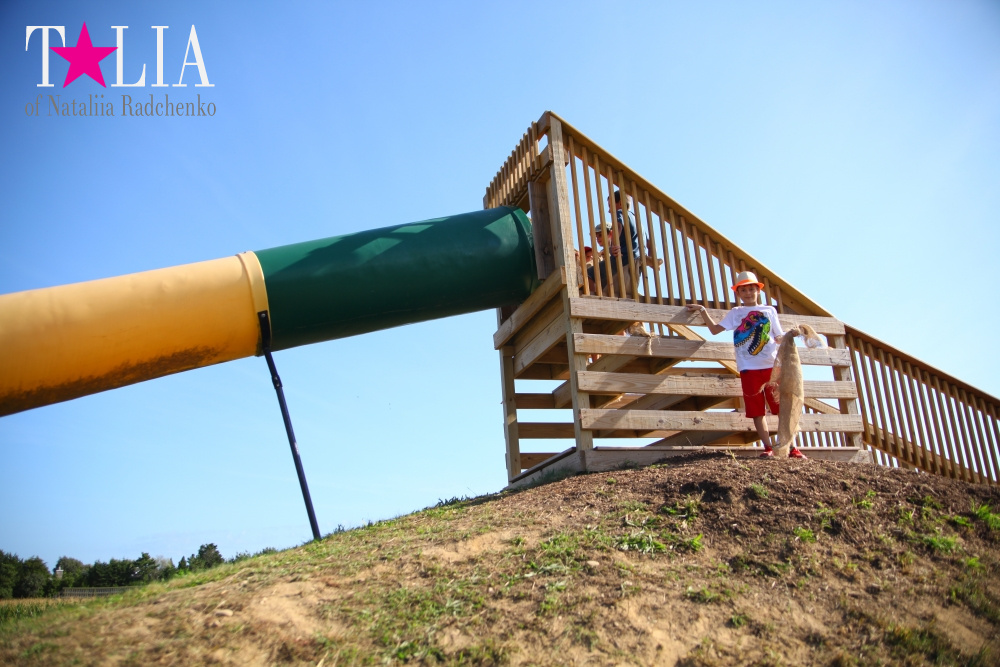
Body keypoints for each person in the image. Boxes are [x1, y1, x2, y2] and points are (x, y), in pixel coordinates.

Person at [686, 271, 806, 459]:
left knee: (782, 409)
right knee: (757, 411)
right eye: (744, 290)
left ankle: (791, 447)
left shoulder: (769, 311)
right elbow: (715, 330)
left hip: (772, 368)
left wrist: (791, 334)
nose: (748, 293)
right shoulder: (736, 313)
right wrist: (703, 310)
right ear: (738, 293)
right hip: (749, 369)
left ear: (758, 290)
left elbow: (778, 336)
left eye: (751, 288)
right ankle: (768, 448)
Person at [587, 190, 641, 295]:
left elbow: (618, 226)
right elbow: (648, 243)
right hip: (635, 262)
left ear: (620, 203)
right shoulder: (637, 219)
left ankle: (593, 299)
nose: (609, 210)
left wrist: (614, 246)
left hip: (623, 260)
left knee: (589, 273)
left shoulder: (620, 212)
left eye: (610, 206)